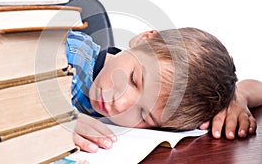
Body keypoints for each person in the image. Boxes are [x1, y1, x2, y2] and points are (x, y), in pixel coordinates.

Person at [66, 27, 262, 153]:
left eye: (144, 116)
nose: (120, 103)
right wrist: (51, 121)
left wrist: (237, 96)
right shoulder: (72, 53)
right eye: (134, 80)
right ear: (143, 39)